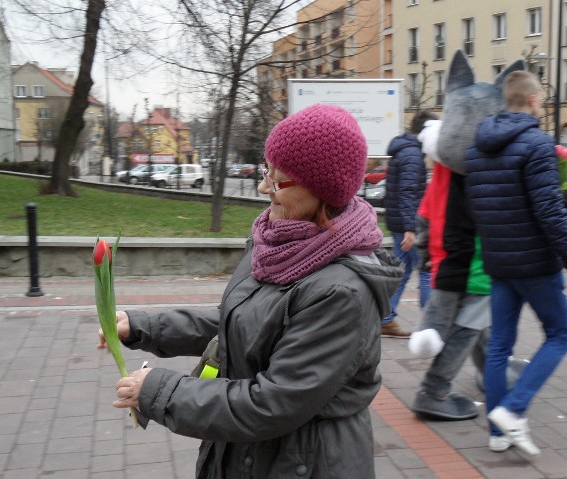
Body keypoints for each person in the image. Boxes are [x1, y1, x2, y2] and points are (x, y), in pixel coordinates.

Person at [98, 104, 404, 478]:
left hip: (302, 462)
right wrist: (144, 326)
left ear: (321, 189)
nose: (263, 187)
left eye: (278, 179)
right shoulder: (276, 242)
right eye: (266, 170)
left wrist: (160, 392)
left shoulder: (341, 291)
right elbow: (239, 324)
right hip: (248, 455)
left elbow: (273, 403)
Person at [464, 70, 567, 455]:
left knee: (500, 344)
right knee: (559, 335)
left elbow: (477, 208)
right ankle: (514, 410)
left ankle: (496, 432)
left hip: (499, 261)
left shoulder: (477, 147)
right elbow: (551, 212)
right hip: (536, 264)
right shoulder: (537, 144)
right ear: (535, 100)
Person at [408, 119, 491, 421]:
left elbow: (424, 214)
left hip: (447, 258)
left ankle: (493, 371)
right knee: (467, 325)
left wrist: (425, 255)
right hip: (472, 261)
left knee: (477, 320)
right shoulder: (475, 166)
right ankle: (433, 391)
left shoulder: (444, 167)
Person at [381, 110, 438, 338]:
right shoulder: (413, 156)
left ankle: (385, 319)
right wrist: (411, 228)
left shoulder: (403, 150)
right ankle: (430, 326)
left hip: (400, 222)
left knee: (402, 272)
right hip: (409, 224)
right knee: (426, 270)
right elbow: (407, 192)